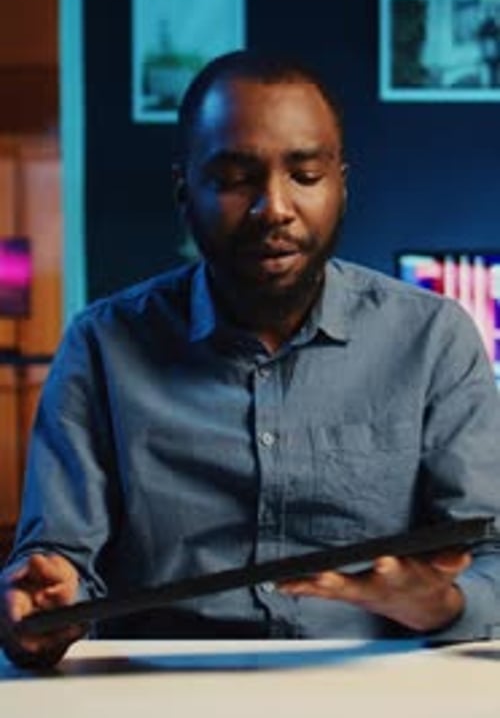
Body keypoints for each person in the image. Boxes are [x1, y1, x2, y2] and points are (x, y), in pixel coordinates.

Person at [1, 49, 500, 668]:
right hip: (159, 693)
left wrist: (443, 603)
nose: (275, 207)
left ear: (342, 186)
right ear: (186, 193)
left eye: (306, 175)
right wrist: (48, 601)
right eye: (237, 179)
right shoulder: (103, 345)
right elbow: (61, 563)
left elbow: (491, 557)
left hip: (377, 683)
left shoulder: (434, 339)